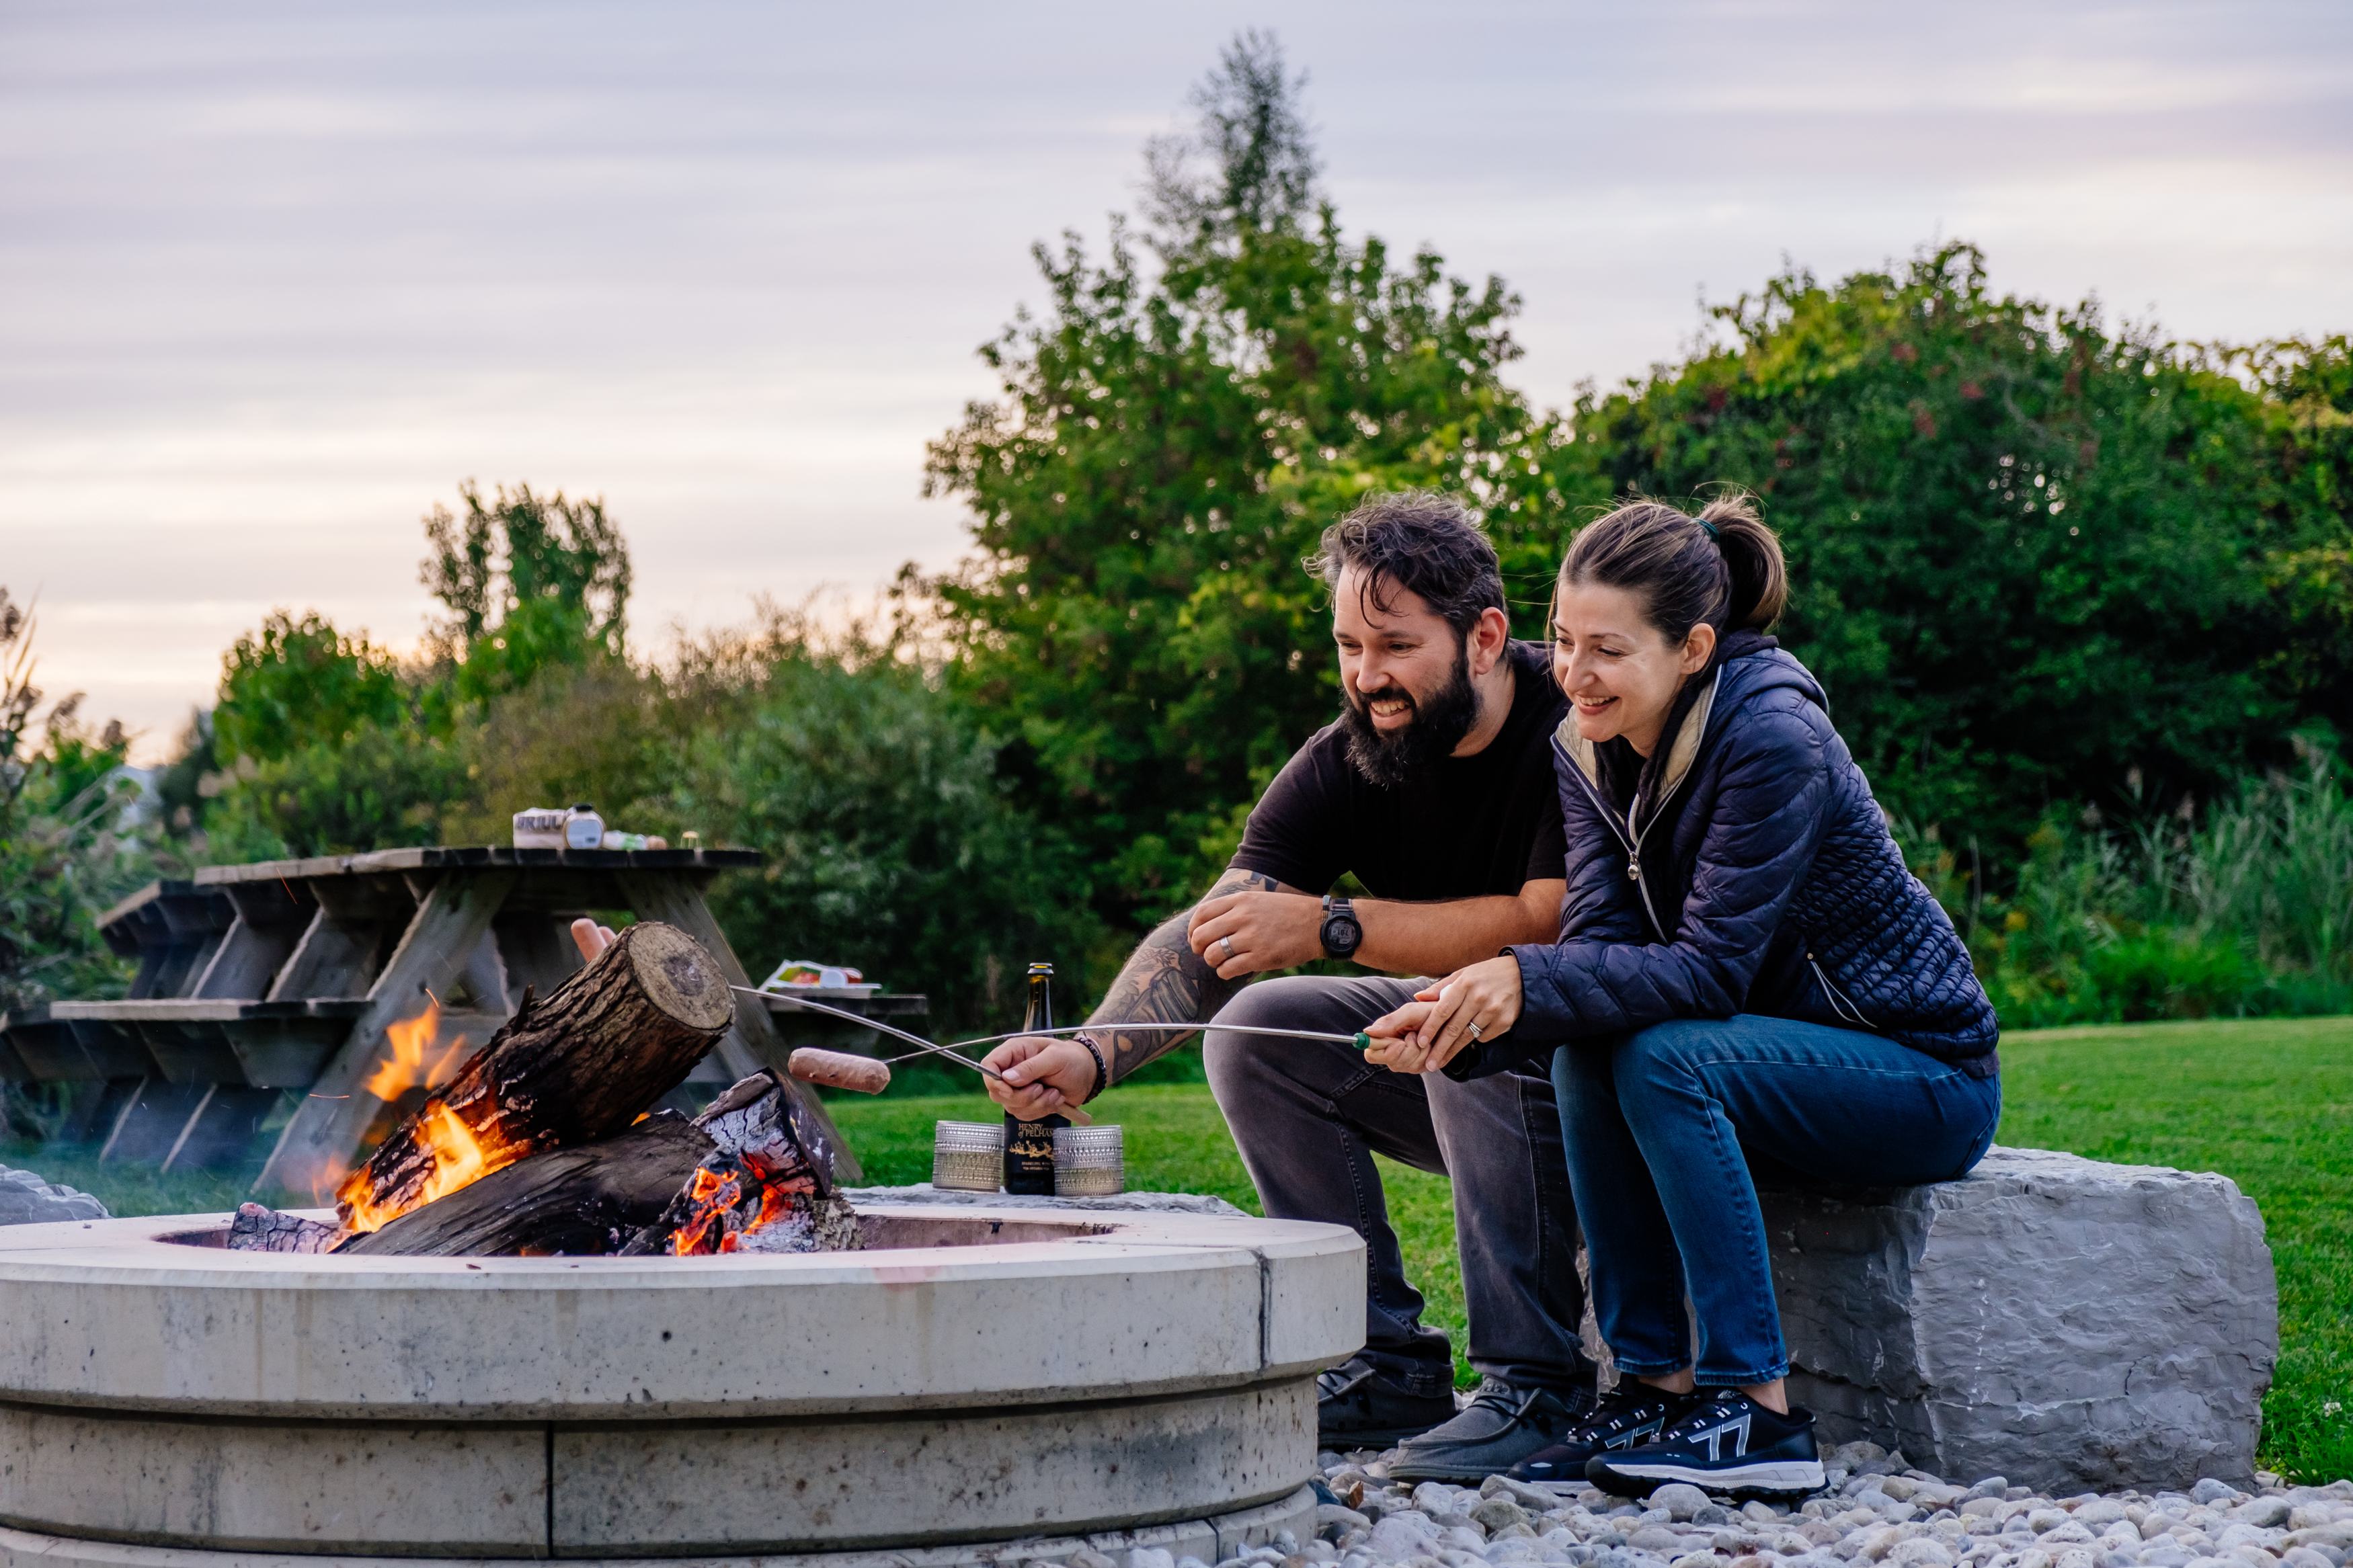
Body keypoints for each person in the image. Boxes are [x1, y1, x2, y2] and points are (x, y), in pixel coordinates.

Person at [1363, 493, 2000, 1499]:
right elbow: (1603, 952)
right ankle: (1651, 1385)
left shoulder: (1773, 736)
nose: (1572, 672)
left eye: (1607, 650)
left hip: (1921, 1075)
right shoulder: (1587, 746)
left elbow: (1709, 971)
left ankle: (1757, 1413)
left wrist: (1522, 976)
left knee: (1666, 1057)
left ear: (1694, 648)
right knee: (1589, 1050)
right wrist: (1469, 1022)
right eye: (1562, 639)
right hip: (1772, 1063)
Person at [982, 492, 1599, 1480]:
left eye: (1395, 646)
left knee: (1463, 1016)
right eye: (1349, 646)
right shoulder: (1354, 752)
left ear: (1485, 638)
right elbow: (1217, 927)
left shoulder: (1575, 721)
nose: (1367, 677)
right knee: (1256, 1031)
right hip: (1479, 1074)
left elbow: (1548, 920)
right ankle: (1381, 1361)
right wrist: (1090, 1054)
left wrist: (1330, 924)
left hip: (1602, 1072)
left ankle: (1539, 1389)